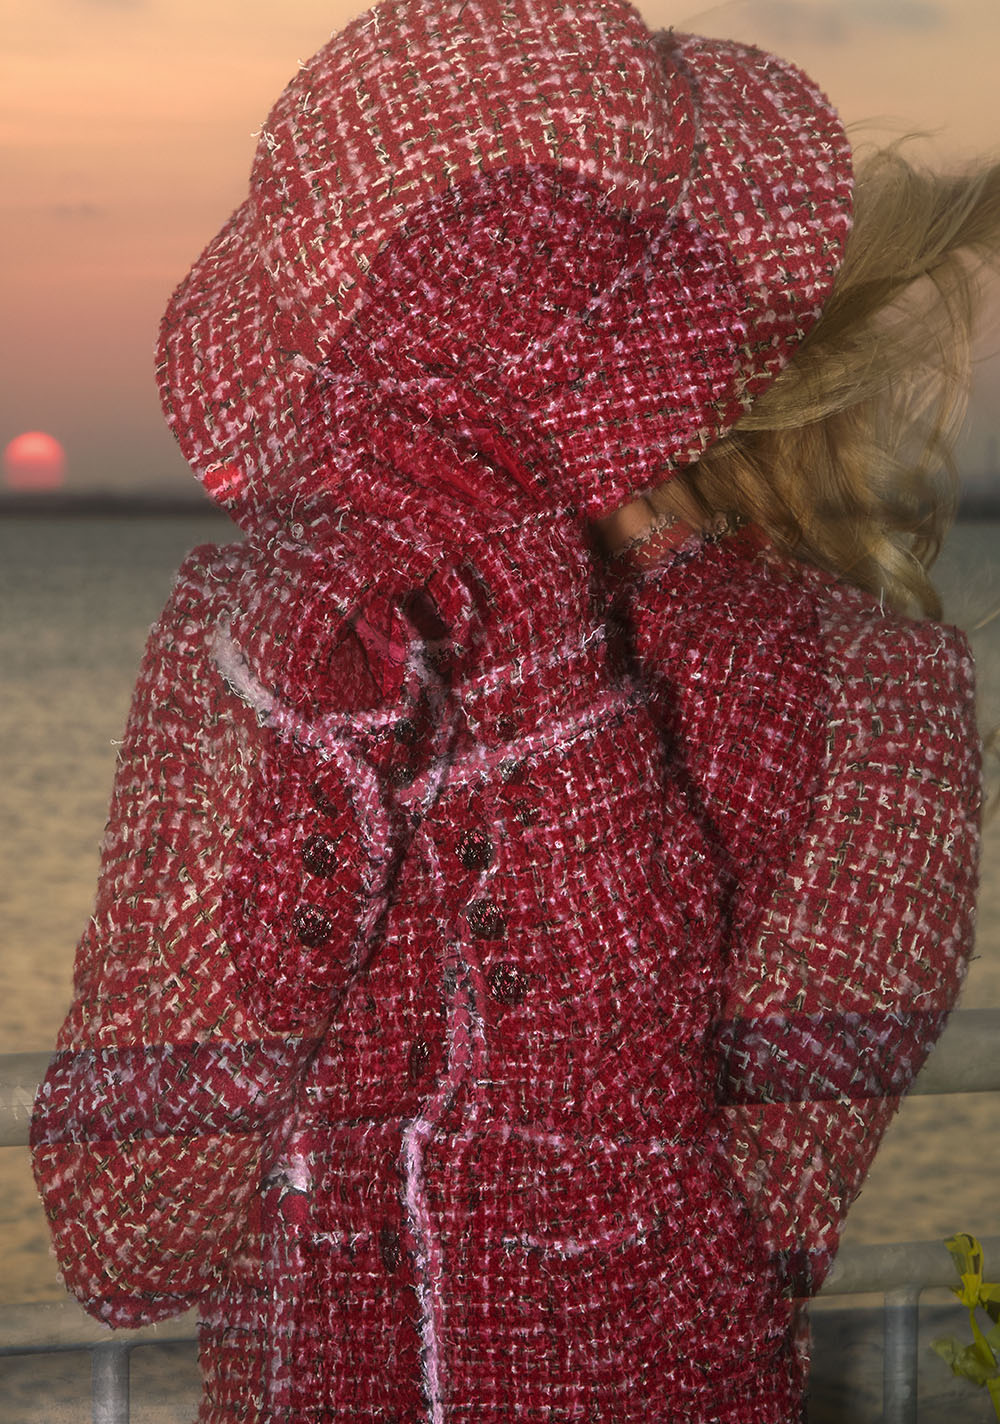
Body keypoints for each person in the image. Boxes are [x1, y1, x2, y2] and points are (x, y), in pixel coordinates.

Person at [28, 0, 999, 1419]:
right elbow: (126, 1239)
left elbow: (714, 1268)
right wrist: (319, 757)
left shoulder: (870, 696)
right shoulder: (257, 652)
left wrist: (545, 679)